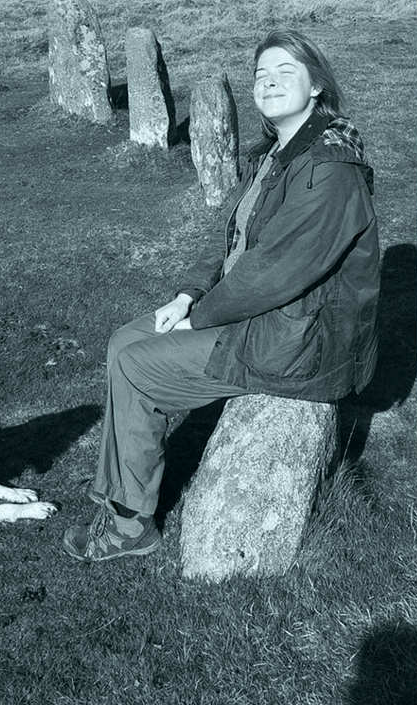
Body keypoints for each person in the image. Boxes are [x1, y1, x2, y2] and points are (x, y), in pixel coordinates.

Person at [69, 31, 382, 562]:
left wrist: (202, 319)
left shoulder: (327, 168)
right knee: (124, 340)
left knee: (137, 367)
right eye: (261, 75)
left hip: (301, 341)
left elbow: (275, 273)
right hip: (265, 317)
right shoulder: (278, 155)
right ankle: (122, 495)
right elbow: (229, 236)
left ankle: (130, 525)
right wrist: (188, 295)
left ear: (315, 88)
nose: (269, 82)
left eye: (285, 70)